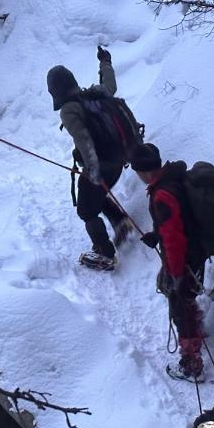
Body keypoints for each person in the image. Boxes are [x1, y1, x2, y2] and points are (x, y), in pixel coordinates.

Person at [47, 46, 134, 271]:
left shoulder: (69, 111)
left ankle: (106, 255)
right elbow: (111, 85)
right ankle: (120, 222)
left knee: (86, 210)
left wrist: (94, 173)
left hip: (100, 166)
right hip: (118, 160)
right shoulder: (95, 94)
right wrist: (105, 62)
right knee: (96, 195)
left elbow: (84, 141)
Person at [130, 143, 206, 381]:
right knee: (186, 300)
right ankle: (194, 325)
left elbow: (175, 239)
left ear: (142, 171)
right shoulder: (173, 178)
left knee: (180, 306)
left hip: (185, 260)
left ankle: (192, 363)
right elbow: (175, 223)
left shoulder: (161, 194)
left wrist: (176, 274)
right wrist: (157, 235)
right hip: (196, 252)